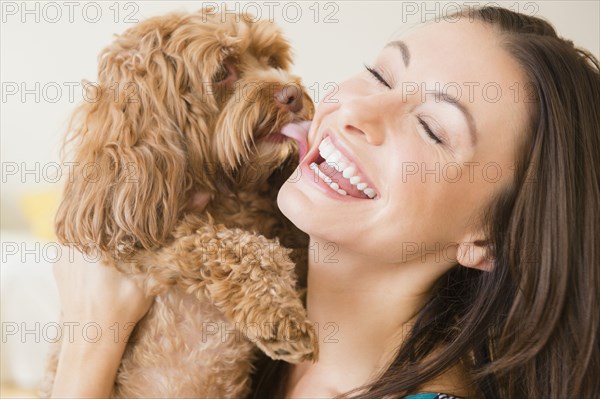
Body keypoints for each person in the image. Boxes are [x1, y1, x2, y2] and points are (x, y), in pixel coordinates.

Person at [51, 6, 599, 398]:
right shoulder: (256, 349)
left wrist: (89, 346)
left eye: (432, 128)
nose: (358, 113)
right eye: (380, 74)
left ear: (489, 238)